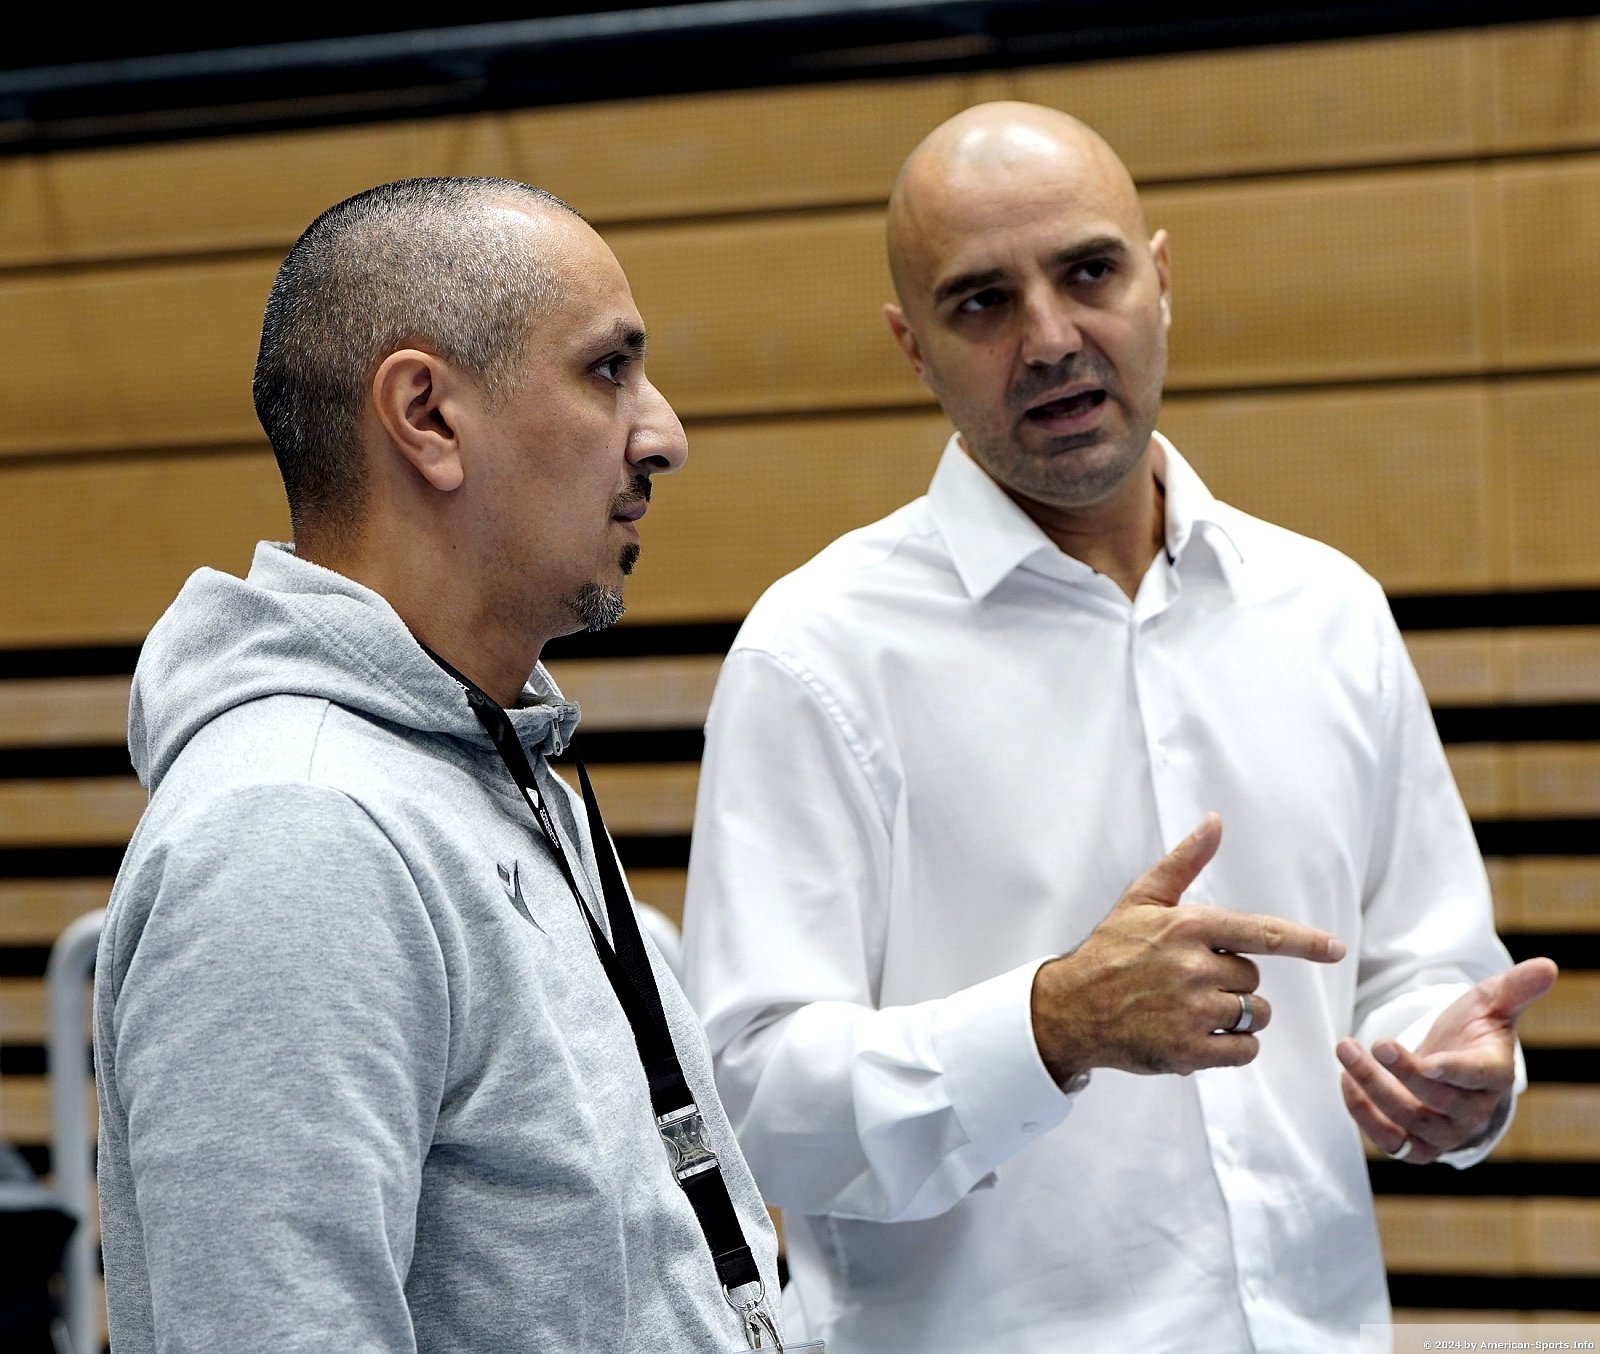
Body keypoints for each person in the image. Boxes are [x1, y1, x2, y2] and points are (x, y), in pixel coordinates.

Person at [680, 104, 1557, 1352]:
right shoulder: (817, 655)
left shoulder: (1327, 609)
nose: (1048, 339)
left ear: (1161, 281)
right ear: (912, 348)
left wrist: (1451, 1075)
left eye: (1088, 273)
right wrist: (1048, 1025)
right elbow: (754, 1101)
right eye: (981, 302)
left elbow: (1422, 965)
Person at [93, 177, 796, 1353]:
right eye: (606, 370)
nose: (662, 434)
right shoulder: (295, 834)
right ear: (426, 416)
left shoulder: (486, 761)